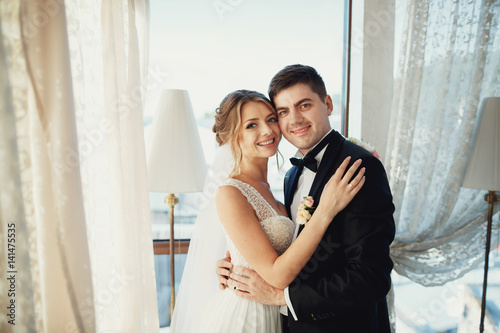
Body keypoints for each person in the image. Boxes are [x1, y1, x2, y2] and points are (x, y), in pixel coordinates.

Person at [216, 65, 396, 333]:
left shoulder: (358, 167)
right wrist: (237, 263)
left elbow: (370, 277)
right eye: (283, 112)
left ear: (328, 104)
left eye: (304, 105)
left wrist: (283, 298)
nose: (294, 119)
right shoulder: (290, 177)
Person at [171, 89, 365, 332]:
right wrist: (325, 211)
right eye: (252, 125)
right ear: (233, 136)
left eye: (271, 119)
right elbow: (277, 275)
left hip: (282, 315)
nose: (268, 130)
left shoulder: (283, 186)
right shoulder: (230, 192)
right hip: (245, 317)